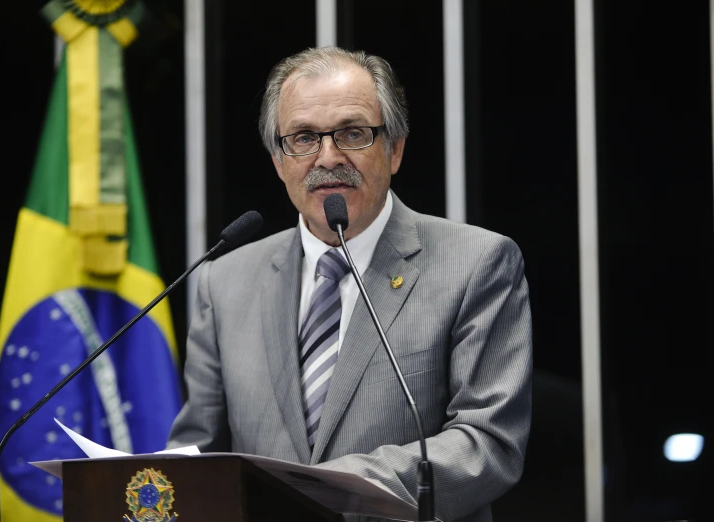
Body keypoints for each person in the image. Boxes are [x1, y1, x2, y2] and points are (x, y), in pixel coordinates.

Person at [168, 46, 532, 522]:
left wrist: (330, 491)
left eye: (353, 134)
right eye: (302, 138)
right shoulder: (225, 280)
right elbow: (199, 452)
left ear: (394, 148)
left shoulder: (477, 263)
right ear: (279, 160)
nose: (328, 157)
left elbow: (488, 445)